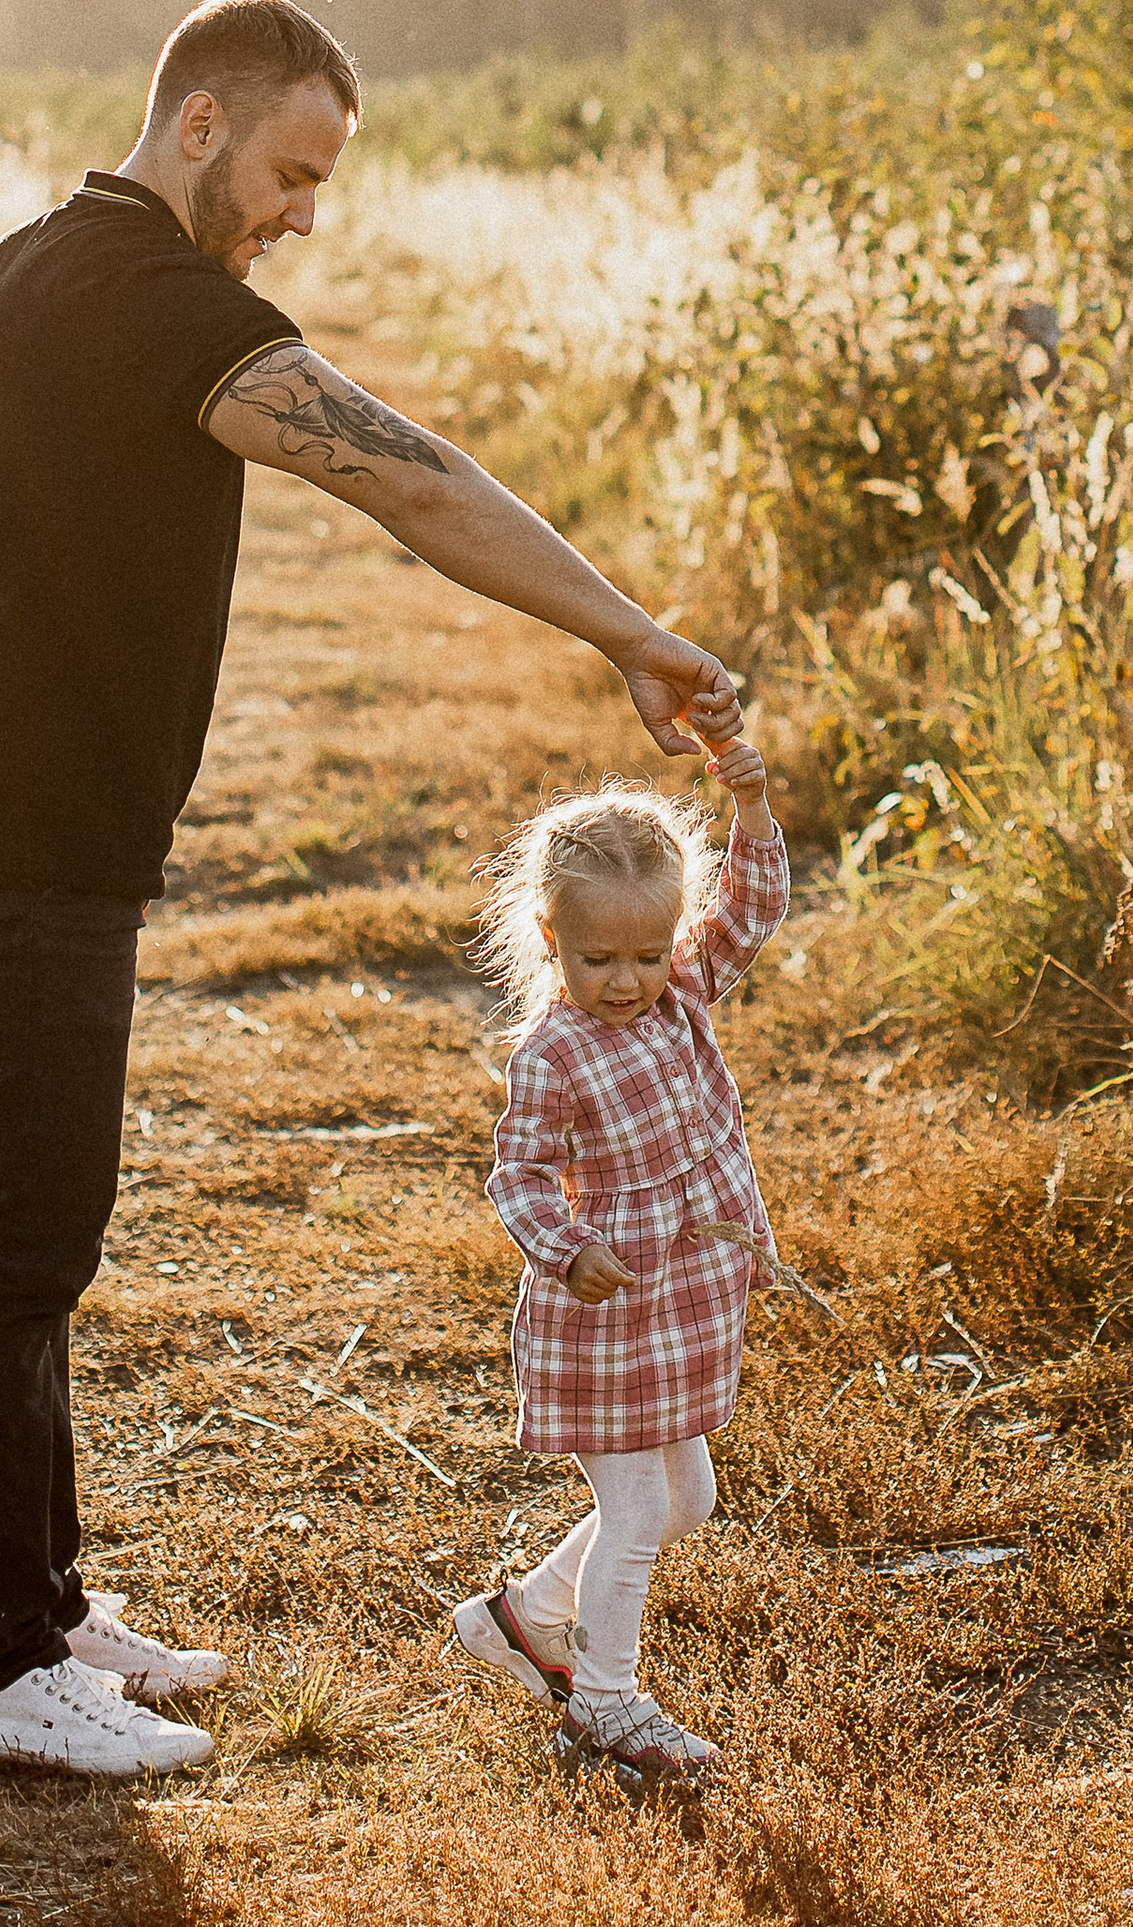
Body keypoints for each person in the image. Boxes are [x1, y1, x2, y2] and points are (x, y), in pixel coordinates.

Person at [0, 0, 743, 1782]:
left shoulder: (27, 265)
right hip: (18, 827)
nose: (300, 217)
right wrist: (630, 634)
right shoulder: (159, 305)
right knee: (16, 1248)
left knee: (41, 1235)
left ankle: (45, 1603)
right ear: (196, 125)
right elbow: (421, 490)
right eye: (288, 171)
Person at [454, 747, 787, 1796]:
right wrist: (565, 1248)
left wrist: (750, 799)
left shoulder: (680, 991)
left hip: (683, 1296)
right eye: (600, 958)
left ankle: (520, 1618)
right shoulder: (552, 1052)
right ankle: (604, 1700)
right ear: (553, 942)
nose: (626, 980)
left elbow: (753, 909)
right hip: (604, 1308)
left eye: (647, 953)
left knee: (688, 1497)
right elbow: (516, 1175)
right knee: (640, 1510)